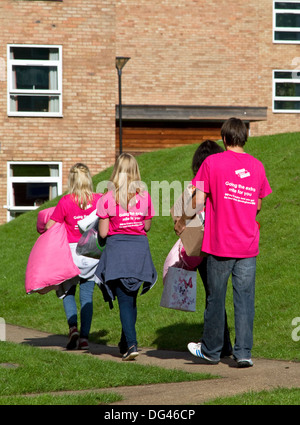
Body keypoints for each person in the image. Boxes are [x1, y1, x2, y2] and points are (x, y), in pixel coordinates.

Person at [175, 118, 272, 367]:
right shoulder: (257, 166)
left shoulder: (211, 163)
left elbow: (197, 202)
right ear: (244, 138)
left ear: (224, 138)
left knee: (216, 298)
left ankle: (211, 350)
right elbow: (258, 204)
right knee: (245, 299)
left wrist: (183, 220)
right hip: (248, 245)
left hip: (220, 244)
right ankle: (243, 353)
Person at [94, 153, 157, 361]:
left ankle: (131, 344)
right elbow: (146, 226)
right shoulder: (145, 196)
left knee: (124, 300)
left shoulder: (107, 198)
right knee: (130, 299)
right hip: (139, 251)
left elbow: (103, 233)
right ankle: (125, 341)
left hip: (118, 250)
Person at [45, 163, 102, 351]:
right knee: (87, 295)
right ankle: (85, 338)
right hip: (92, 253)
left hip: (70, 254)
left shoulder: (66, 202)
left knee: (67, 293)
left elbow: (49, 228)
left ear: (71, 179)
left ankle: (73, 329)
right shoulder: (99, 200)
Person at [191, 140, 233, 357]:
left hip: (204, 247)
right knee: (217, 296)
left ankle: (213, 346)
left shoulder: (196, 185)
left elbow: (184, 214)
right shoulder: (224, 181)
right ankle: (224, 344)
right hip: (226, 242)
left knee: (213, 296)